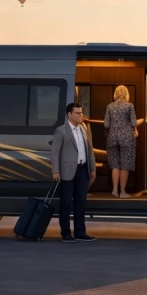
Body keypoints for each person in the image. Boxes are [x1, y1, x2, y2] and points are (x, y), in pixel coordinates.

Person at [50, 103, 97, 242]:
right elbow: (55, 152)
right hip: (66, 171)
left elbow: (90, 150)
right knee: (65, 203)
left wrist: (93, 168)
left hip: (82, 169)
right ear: (69, 114)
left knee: (81, 202)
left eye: (81, 113)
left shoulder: (84, 129)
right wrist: (55, 170)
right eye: (77, 113)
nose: (80, 115)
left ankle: (80, 232)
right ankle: (65, 233)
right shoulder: (61, 131)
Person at [103, 85, 140, 198]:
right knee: (125, 164)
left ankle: (114, 190)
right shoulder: (129, 106)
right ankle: (122, 192)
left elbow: (106, 124)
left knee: (114, 164)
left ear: (116, 94)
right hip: (127, 137)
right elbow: (134, 123)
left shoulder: (110, 106)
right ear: (126, 94)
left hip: (112, 137)